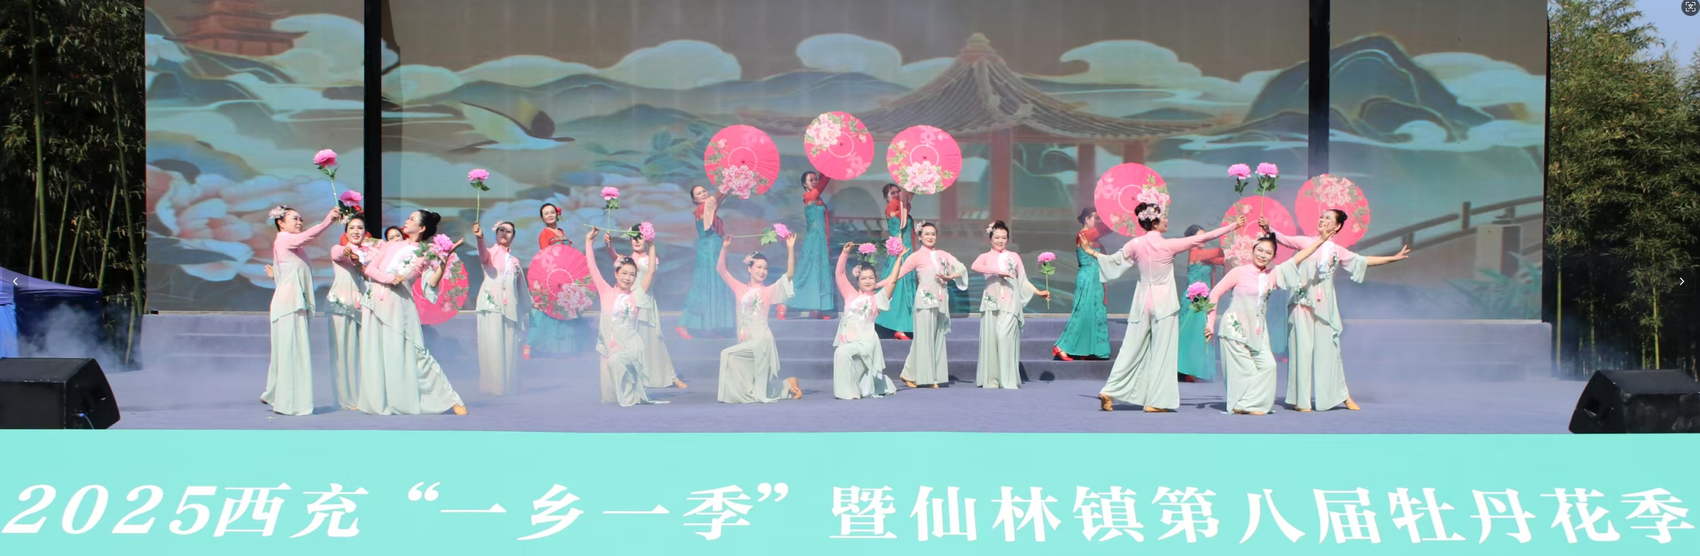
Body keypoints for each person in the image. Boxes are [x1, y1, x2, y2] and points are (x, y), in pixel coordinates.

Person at [1096, 204, 1243, 412]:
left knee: (1130, 349)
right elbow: (1203, 238)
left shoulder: (1135, 244)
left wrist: (1093, 254)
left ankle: (1110, 389)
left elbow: (1113, 262)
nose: (1167, 220)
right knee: (1163, 352)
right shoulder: (1168, 245)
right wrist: (1232, 226)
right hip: (1163, 304)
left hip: (1142, 302)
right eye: (1163, 217)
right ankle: (1156, 402)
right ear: (1154, 222)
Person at [1264, 212, 1411, 411]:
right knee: (1301, 350)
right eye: (1321, 217)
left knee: (1329, 351)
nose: (1322, 220)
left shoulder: (1336, 251)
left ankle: (1341, 395)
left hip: (1324, 306)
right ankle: (1302, 401)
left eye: (1328, 218)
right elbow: (1282, 238)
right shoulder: (1305, 242)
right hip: (1301, 303)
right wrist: (1269, 228)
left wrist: (1393, 258)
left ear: (1337, 226)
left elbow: (1362, 261)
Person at [1203, 230, 1334, 414]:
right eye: (1260, 250)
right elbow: (1214, 293)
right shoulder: (1238, 272)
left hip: (1258, 331)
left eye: (1268, 253)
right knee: (1246, 370)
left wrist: (1321, 240)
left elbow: (1298, 258)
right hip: (1234, 329)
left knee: (1269, 366)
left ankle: (1249, 404)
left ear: (1273, 257)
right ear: (1253, 250)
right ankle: (1243, 405)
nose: (1263, 255)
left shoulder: (1273, 274)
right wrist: (1210, 323)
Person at [358, 210, 468, 415]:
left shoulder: (426, 253)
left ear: (422, 228)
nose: (406, 221)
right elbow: (370, 269)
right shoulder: (390, 245)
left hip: (398, 306)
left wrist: (444, 260)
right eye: (408, 217)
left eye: (412, 219)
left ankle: (449, 399)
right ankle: (378, 400)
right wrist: (389, 278)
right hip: (373, 303)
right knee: (374, 352)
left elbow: (431, 283)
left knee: (415, 354)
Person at [261, 205, 339, 416]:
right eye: (294, 219)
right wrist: (328, 221)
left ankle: (280, 396)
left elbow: (287, 273)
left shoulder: (289, 245)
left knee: (290, 351)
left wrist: (276, 275)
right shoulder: (285, 239)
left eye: (301, 219)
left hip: (291, 303)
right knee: (291, 352)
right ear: (281, 223)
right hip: (290, 305)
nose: (299, 222)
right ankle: (288, 402)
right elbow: (307, 236)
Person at [715, 234, 804, 403]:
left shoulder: (768, 291)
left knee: (727, 354)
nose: (762, 271)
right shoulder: (740, 288)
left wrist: (790, 248)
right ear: (749, 268)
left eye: (765, 268)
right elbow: (721, 269)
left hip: (762, 341)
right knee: (752, 384)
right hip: (745, 340)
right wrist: (724, 248)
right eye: (758, 267)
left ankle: (783, 387)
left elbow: (789, 274)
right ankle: (788, 385)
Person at [584, 229, 667, 406]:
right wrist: (589, 242)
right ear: (616, 273)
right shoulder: (606, 292)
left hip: (629, 347)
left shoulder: (637, 295)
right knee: (609, 398)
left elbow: (651, 272)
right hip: (607, 346)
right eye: (624, 273)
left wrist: (651, 246)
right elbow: (592, 268)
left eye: (632, 275)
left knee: (624, 386)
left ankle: (630, 395)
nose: (628, 278)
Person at [972, 221, 1051, 389]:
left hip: (1010, 302)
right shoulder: (985, 257)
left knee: (1004, 336)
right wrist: (997, 271)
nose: (1000, 240)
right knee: (991, 340)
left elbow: (1023, 281)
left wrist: (1038, 292)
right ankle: (992, 379)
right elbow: (975, 266)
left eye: (1004, 237)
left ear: (1008, 239)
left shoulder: (1014, 257)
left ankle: (1007, 379)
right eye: (997, 237)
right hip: (991, 302)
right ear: (990, 239)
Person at [606, 227, 685, 389]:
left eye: (640, 237)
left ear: (646, 240)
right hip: (630, 302)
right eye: (633, 237)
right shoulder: (628, 259)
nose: (636, 240)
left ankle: (670, 376)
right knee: (633, 341)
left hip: (645, 302)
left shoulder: (651, 259)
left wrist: (652, 245)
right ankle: (638, 376)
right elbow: (615, 257)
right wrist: (609, 244)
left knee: (654, 342)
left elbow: (651, 271)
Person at [892, 222, 968, 388]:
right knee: (924, 339)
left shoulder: (943, 255)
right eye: (926, 234)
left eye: (933, 234)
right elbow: (897, 275)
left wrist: (950, 277)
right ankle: (926, 378)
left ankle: (912, 374)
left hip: (941, 301)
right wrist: (878, 286)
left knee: (936, 339)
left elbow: (961, 268)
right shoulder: (915, 256)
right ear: (919, 236)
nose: (930, 237)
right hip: (924, 303)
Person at [831, 242, 903, 399]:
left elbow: (892, 281)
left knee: (841, 353)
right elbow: (840, 275)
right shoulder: (850, 295)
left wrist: (899, 259)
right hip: (847, 341)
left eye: (871, 277)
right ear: (858, 281)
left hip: (865, 343)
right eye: (863, 278)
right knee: (845, 356)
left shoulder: (877, 299)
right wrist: (844, 254)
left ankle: (848, 393)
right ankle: (869, 385)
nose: (868, 281)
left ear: (876, 280)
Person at [473, 221, 530, 396]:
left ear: (513, 236)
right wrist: (480, 238)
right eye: (501, 230)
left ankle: (509, 385)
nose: (505, 233)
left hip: (510, 307)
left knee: (510, 346)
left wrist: (526, 308)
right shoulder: (490, 253)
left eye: (509, 231)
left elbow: (521, 288)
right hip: (491, 305)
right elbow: (482, 254)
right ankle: (493, 386)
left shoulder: (515, 261)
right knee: (493, 345)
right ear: (496, 233)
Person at [526, 203, 589, 360]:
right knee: (548, 309)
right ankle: (534, 345)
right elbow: (545, 255)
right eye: (546, 213)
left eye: (552, 212)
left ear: (556, 214)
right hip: (553, 274)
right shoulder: (544, 234)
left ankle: (565, 347)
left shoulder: (561, 231)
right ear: (542, 217)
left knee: (566, 308)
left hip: (566, 276)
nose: (550, 215)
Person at [326, 216, 376, 411]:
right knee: (341, 353)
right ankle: (344, 398)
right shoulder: (337, 249)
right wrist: (348, 251)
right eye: (352, 228)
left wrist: (360, 262)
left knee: (359, 354)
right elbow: (338, 254)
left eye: (360, 228)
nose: (356, 231)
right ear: (346, 232)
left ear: (365, 233)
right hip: (340, 306)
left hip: (360, 307)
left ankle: (360, 395)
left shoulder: (368, 254)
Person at [678, 185, 735, 339]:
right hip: (708, 251)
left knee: (716, 286)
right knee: (703, 286)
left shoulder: (709, 208)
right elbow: (715, 199)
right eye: (698, 193)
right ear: (694, 200)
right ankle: (684, 324)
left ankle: (713, 326)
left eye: (704, 191)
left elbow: (718, 200)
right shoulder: (702, 208)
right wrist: (729, 182)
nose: (703, 194)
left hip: (715, 248)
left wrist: (731, 187)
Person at [1054, 208, 1111, 361]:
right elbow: (1106, 229)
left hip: (1096, 279)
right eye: (1096, 218)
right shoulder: (1083, 235)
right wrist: (1117, 219)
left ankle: (1086, 349)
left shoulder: (1094, 238)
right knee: (1082, 313)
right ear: (1087, 219)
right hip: (1087, 278)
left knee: (1095, 312)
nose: (1098, 221)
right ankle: (1062, 346)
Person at [1178, 225, 1227, 382]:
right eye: (1201, 236)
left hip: (1203, 300)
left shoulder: (1204, 256)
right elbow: (1219, 252)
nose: (1204, 239)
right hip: (1194, 300)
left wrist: (1238, 256)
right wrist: (1231, 245)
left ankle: (1192, 369)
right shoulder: (1195, 252)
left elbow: (1222, 260)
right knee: (1191, 335)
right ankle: (1186, 370)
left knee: (1199, 334)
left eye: (1205, 235)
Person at [786, 171, 836, 320]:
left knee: (820, 273)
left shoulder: (817, 197)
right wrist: (829, 169)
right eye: (811, 180)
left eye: (815, 179)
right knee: (804, 272)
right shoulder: (810, 196)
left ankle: (817, 308)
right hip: (813, 239)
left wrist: (825, 169)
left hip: (821, 240)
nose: (814, 181)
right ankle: (784, 304)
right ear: (804, 184)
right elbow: (824, 181)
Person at [874, 184, 917, 339]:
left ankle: (907, 325)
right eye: (892, 193)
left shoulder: (902, 209)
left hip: (908, 253)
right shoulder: (891, 208)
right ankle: (899, 327)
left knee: (906, 289)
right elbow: (905, 206)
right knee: (897, 288)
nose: (896, 195)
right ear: (886, 197)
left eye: (898, 192)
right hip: (899, 255)